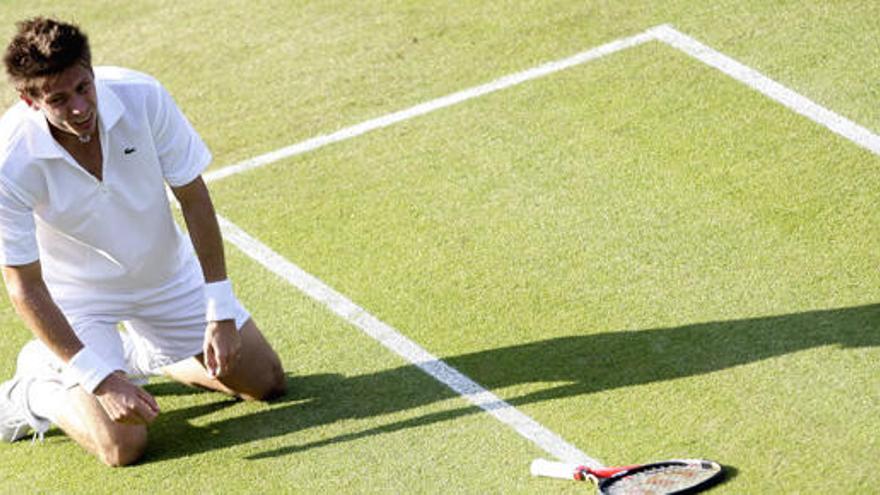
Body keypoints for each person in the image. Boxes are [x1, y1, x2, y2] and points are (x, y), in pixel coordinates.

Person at [0, 17, 286, 466]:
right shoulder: (9, 160)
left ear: (92, 71)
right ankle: (33, 391)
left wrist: (220, 308)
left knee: (267, 381)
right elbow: (24, 286)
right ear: (30, 100)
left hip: (165, 275)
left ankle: (145, 355)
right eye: (58, 99)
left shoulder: (143, 96)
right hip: (79, 302)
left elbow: (193, 198)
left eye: (83, 88)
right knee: (122, 447)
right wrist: (98, 378)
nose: (79, 108)